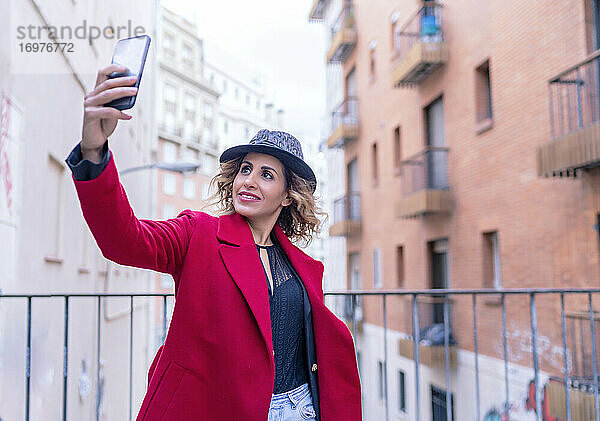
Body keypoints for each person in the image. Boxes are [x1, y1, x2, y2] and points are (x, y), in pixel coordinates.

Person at [64, 64, 362, 420]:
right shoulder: (198, 234)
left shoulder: (302, 265)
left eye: (267, 175)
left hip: (300, 408)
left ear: (287, 196)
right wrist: (94, 152)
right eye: (245, 169)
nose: (249, 181)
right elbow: (124, 239)